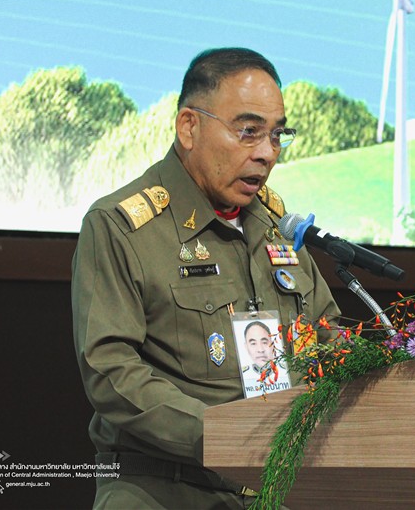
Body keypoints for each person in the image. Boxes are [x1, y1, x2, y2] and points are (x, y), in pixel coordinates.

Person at [72, 47, 340, 510]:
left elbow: (326, 335)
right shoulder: (121, 226)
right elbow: (110, 370)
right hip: (164, 489)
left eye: (278, 135)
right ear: (189, 127)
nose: (266, 153)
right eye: (248, 131)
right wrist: (223, 436)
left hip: (276, 489)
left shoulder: (276, 226)